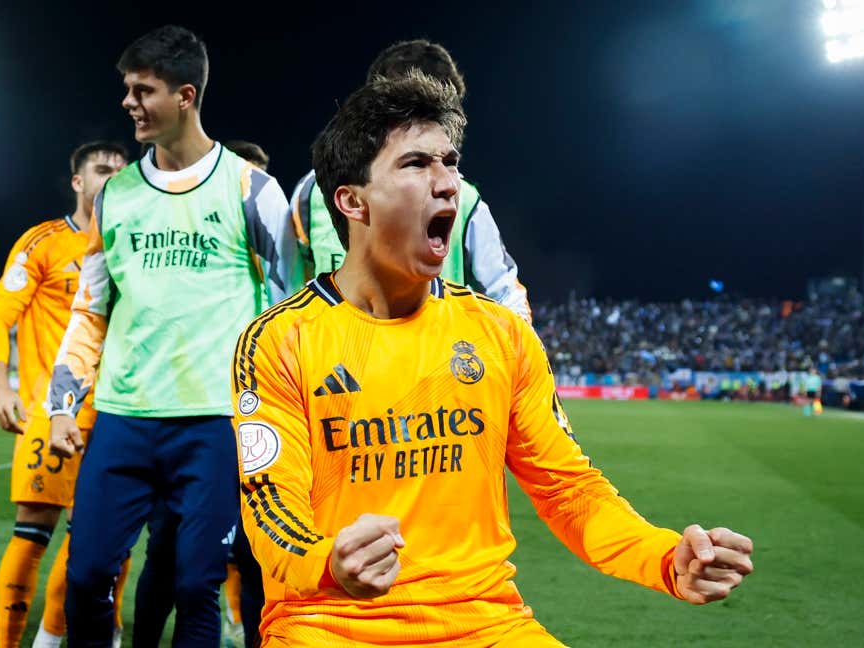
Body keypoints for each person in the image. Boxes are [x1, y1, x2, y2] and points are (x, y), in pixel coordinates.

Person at [231, 72, 753, 647]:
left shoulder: (499, 334)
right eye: (415, 164)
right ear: (353, 201)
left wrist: (664, 558)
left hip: (486, 625)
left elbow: (570, 490)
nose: (447, 183)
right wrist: (328, 561)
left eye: (449, 162)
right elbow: (271, 510)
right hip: (329, 625)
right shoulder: (280, 339)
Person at [45, 26, 295, 647]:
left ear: (186, 95)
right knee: (86, 578)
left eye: (143, 90)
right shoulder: (115, 196)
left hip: (213, 422)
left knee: (194, 587)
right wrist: (61, 402)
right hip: (125, 418)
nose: (129, 103)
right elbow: (91, 308)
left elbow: (294, 310)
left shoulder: (253, 191)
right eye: (127, 90)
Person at [0, 142, 128, 648]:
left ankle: (61, 636)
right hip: (53, 412)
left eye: (120, 170)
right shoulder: (43, 242)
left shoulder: (131, 243)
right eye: (101, 169)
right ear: (77, 181)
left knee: (112, 543)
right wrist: (1, 386)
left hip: (116, 414)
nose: (111, 178)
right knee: (33, 532)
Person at [132, 139, 270, 648]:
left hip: (259, 428)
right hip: (194, 423)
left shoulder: (277, 267)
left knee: (258, 556)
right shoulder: (195, 269)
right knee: (166, 552)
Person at [289, 39, 530, 321]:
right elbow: (288, 288)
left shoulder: (463, 198)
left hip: (437, 357)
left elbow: (507, 295)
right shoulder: (311, 195)